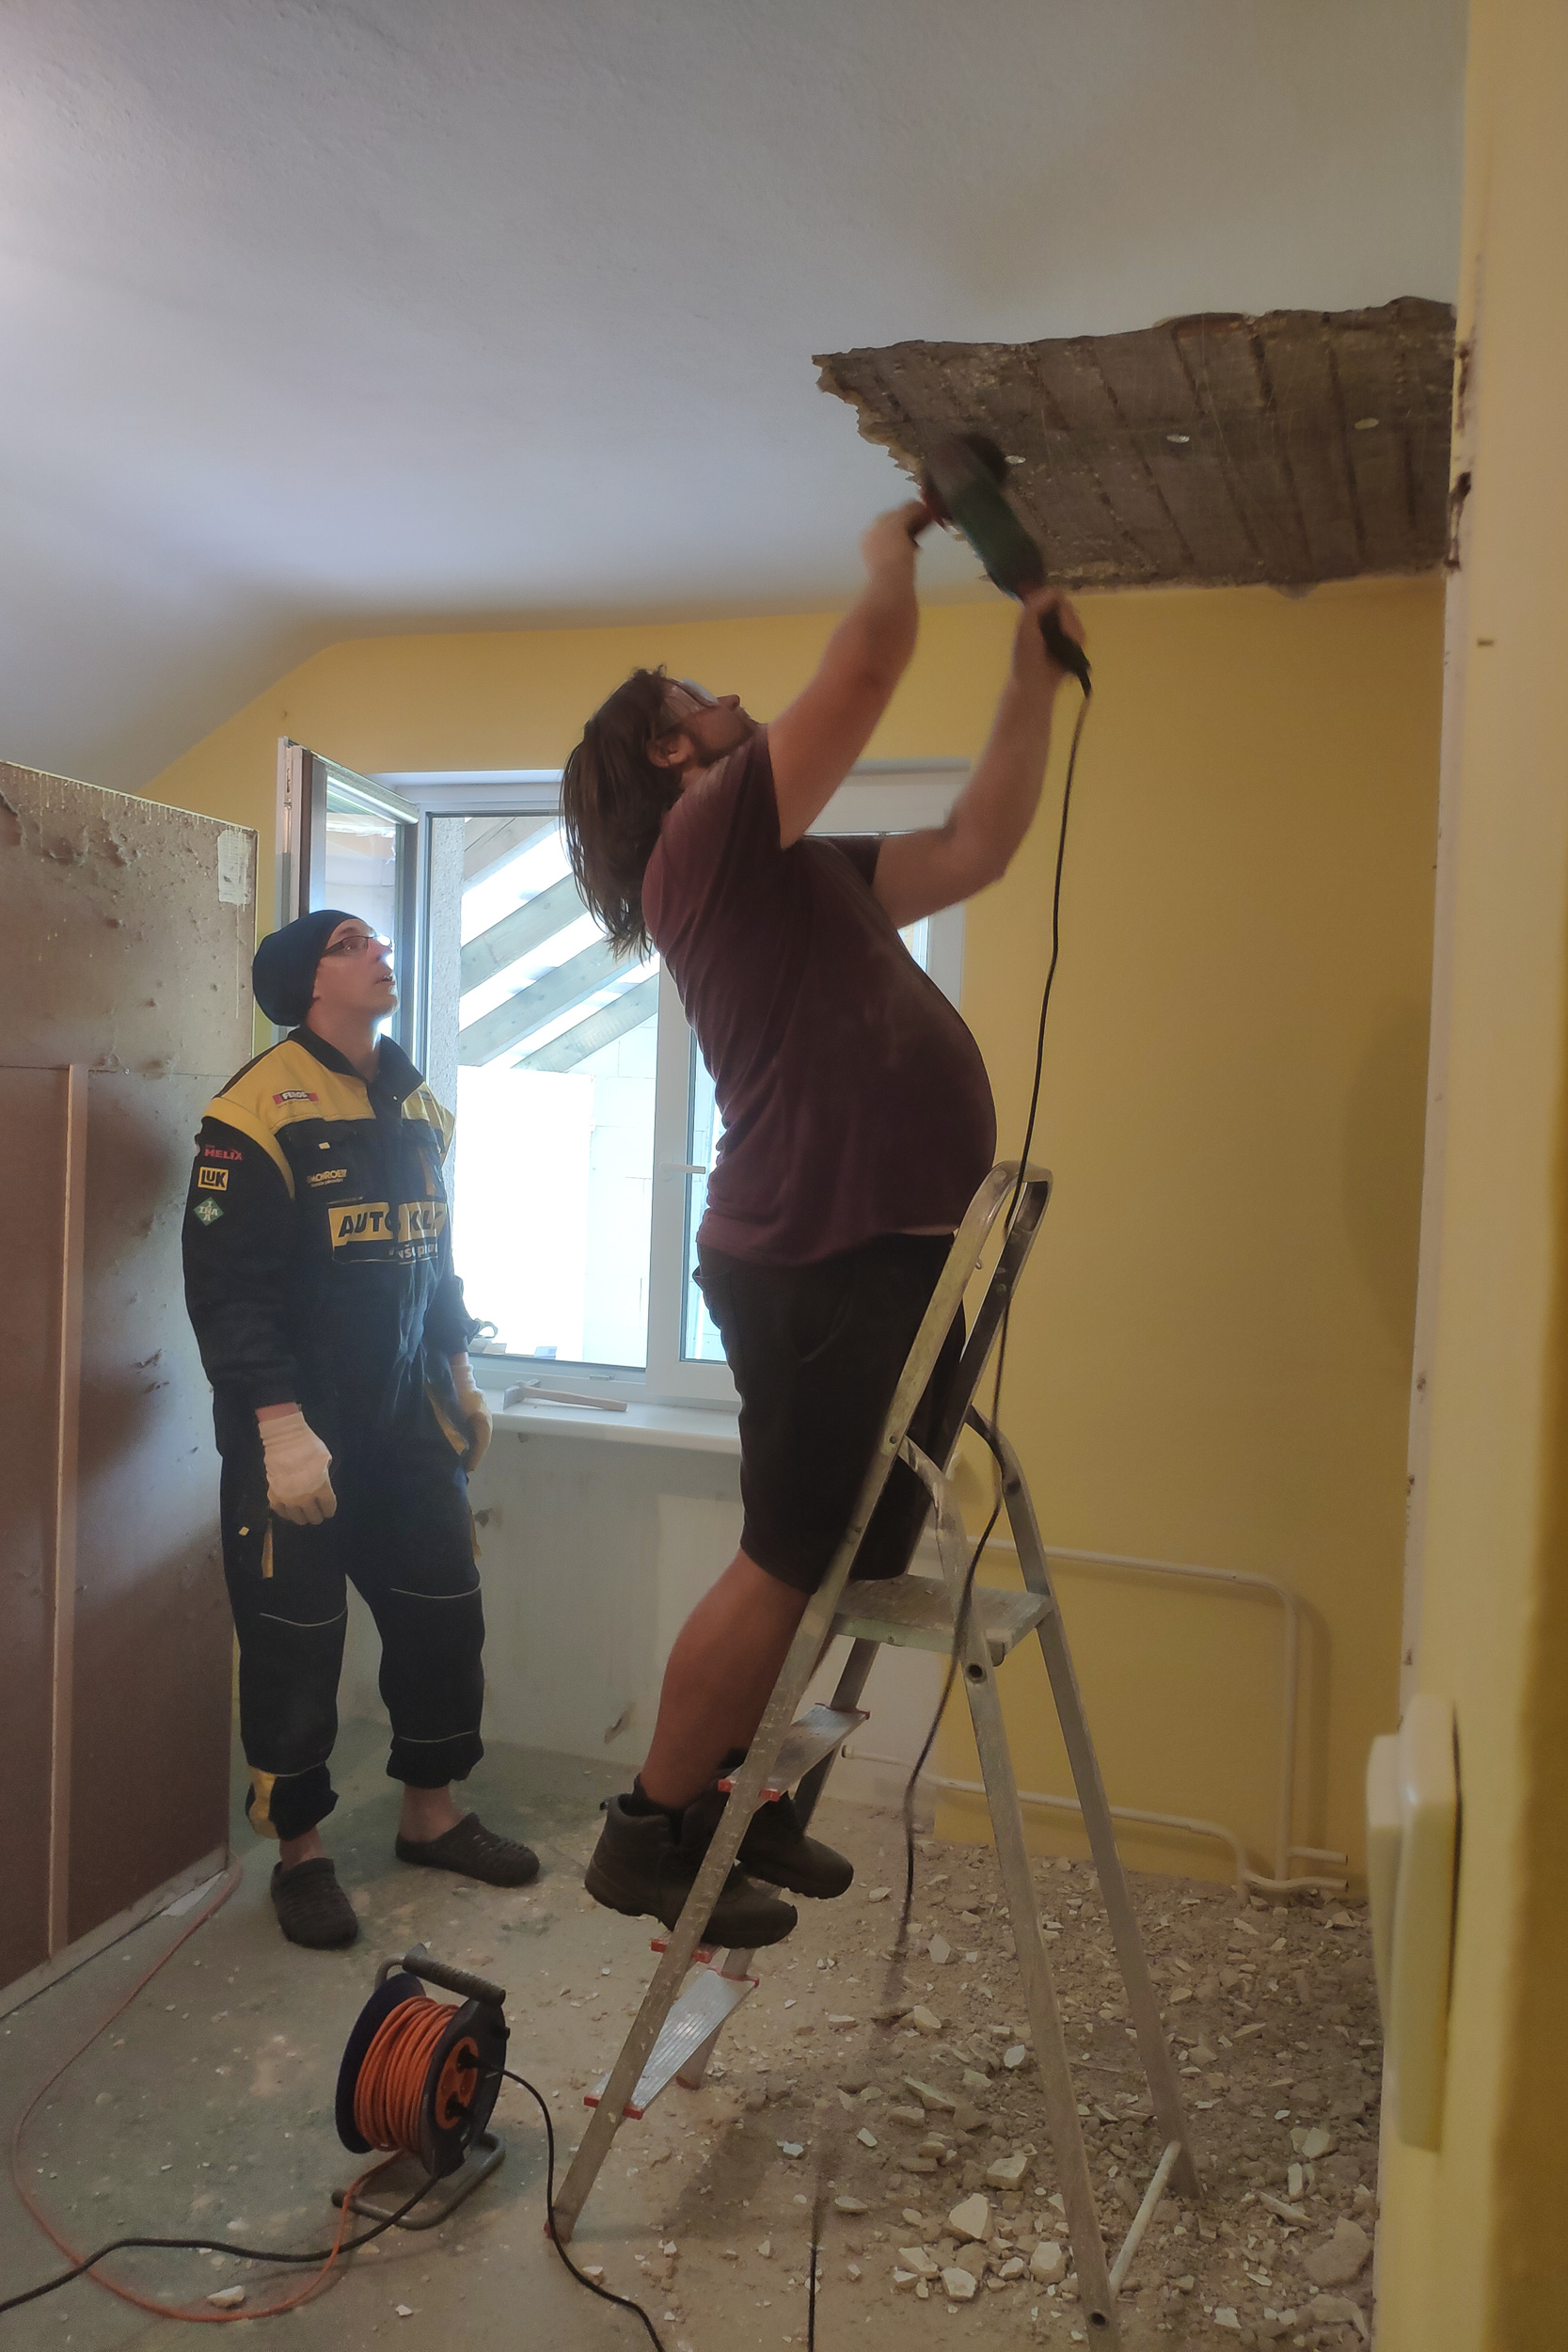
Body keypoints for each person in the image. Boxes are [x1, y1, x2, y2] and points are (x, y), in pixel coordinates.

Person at [561, 500, 1085, 1948]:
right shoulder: (706, 841)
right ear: (669, 753)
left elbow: (973, 845)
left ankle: (742, 1804)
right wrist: (887, 557)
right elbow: (857, 676)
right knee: (787, 1554)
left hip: (889, 1250)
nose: (726, 700)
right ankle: (647, 1833)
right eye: (696, 698)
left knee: (852, 1558)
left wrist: (1031, 675)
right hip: (813, 1250)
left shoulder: (797, 864)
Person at [182, 910, 538, 1948]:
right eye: (350, 946)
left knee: (443, 1615)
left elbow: (432, 1253)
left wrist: (457, 1368)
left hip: (407, 1421)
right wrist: (279, 1428)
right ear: (306, 984)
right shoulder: (253, 1110)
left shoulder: (417, 1102)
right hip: (300, 1432)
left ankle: (432, 1815)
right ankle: (299, 1854)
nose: (379, 953)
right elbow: (227, 1293)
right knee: (295, 1642)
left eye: (378, 941)